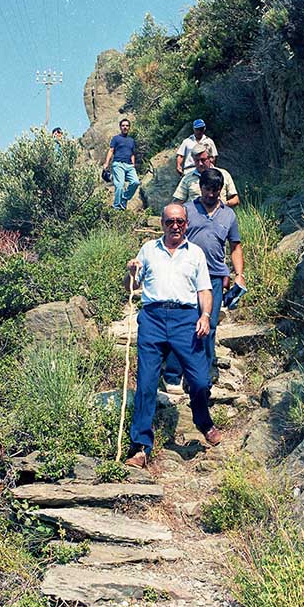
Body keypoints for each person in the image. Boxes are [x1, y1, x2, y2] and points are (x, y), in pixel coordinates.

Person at [124, 203, 222, 468]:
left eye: (180, 221)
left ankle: (203, 422)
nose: (175, 226)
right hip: (153, 318)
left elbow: (205, 290)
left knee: (200, 381)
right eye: (170, 222)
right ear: (162, 224)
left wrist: (204, 316)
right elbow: (132, 285)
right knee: (145, 384)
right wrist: (131, 272)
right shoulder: (147, 250)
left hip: (185, 319)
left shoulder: (196, 253)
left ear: (186, 224)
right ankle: (140, 447)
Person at [162, 168, 245, 392]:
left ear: (221, 190)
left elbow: (235, 246)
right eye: (208, 189)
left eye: (216, 190)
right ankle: (173, 373)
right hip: (187, 274)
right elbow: (171, 237)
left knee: (209, 324)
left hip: (216, 276)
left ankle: (203, 372)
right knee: (184, 321)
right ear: (200, 188)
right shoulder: (187, 210)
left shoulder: (228, 215)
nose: (211, 193)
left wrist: (238, 275)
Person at [172, 144, 240, 207]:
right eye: (197, 160)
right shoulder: (187, 178)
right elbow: (177, 203)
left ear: (210, 158)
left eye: (203, 160)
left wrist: (222, 206)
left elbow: (235, 199)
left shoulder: (224, 174)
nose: (200, 164)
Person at [103, 118, 140, 210]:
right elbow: (111, 150)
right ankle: (117, 207)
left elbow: (132, 153)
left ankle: (124, 198)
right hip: (118, 164)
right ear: (120, 127)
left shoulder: (131, 140)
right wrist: (106, 163)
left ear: (129, 127)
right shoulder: (116, 138)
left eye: (127, 126)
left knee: (135, 182)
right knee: (119, 185)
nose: (125, 127)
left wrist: (133, 164)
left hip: (129, 165)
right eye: (123, 125)